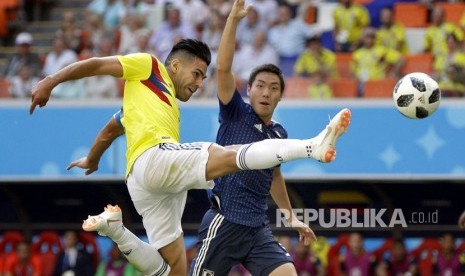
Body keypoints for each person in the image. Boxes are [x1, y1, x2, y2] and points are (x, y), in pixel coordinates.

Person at [30, 33, 351, 276]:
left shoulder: (149, 102)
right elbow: (97, 64)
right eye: (196, 74)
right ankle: (312, 146)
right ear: (175, 65)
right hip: (153, 160)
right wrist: (50, 81)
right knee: (222, 157)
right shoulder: (150, 66)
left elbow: (112, 128)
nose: (199, 83)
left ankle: (115, 229)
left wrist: (93, 159)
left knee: (174, 270)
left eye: (203, 77)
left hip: (144, 185)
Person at [190, 0, 316, 274]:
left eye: (273, 88)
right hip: (224, 222)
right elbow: (223, 68)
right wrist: (233, 20)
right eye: (260, 86)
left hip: (257, 229)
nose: (266, 93)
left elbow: (275, 176)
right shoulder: (235, 112)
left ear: (280, 96)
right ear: (248, 89)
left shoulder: (279, 134)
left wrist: (291, 217)